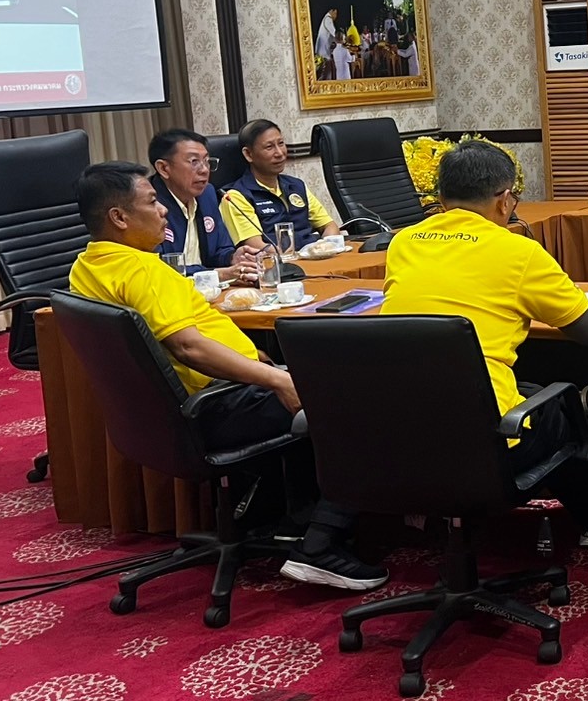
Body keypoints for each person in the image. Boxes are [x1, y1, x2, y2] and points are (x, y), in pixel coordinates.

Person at [68, 162, 386, 590]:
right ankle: (320, 546)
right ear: (119, 217)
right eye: (152, 201)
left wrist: (261, 364)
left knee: (308, 380)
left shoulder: (86, 266)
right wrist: (277, 380)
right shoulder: (143, 271)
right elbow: (189, 348)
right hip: (217, 405)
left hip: (165, 415)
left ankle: (292, 521)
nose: (162, 211)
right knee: (358, 400)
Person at [382, 141, 588, 556]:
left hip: (396, 430)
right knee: (565, 409)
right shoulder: (518, 252)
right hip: (486, 440)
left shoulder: (403, 243)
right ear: (504, 201)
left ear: (441, 198)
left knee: (530, 392)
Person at [148, 128, 259, 283]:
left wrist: (232, 257)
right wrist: (217, 274)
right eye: (194, 162)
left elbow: (220, 248)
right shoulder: (148, 206)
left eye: (207, 161)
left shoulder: (207, 194)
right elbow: (160, 268)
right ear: (163, 168)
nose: (204, 170)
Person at [220, 119, 341, 251]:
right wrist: (290, 256)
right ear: (248, 154)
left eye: (281, 143)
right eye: (269, 147)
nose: (279, 153)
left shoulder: (297, 186)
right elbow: (256, 246)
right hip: (275, 262)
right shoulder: (236, 197)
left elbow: (329, 226)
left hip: (312, 255)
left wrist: (325, 248)